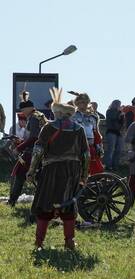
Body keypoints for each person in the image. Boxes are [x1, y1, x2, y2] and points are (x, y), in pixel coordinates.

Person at [27, 87, 89, 250]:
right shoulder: (79, 129)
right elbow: (85, 155)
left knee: (46, 205)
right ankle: (69, 242)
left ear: (57, 112)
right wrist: (84, 175)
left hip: (51, 171)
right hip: (72, 171)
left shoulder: (48, 128)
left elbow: (38, 150)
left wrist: (31, 171)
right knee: (68, 206)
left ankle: (39, 243)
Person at [8, 91, 47, 207]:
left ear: (28, 108)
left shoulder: (34, 118)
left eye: (23, 110)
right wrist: (21, 142)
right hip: (41, 151)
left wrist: (19, 148)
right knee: (39, 178)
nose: (23, 113)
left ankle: (12, 201)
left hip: (33, 153)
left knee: (19, 174)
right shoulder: (39, 115)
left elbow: (34, 138)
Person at [71, 92, 104, 175]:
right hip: (77, 146)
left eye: (84, 102)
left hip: (91, 145)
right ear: (77, 103)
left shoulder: (93, 117)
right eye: (80, 102)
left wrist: (99, 146)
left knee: (95, 169)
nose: (83, 104)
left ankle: (93, 185)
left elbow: (96, 132)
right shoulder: (72, 116)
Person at [104, 100, 124, 171]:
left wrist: (122, 115)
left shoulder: (120, 112)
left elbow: (122, 122)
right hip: (111, 132)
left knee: (119, 149)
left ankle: (115, 166)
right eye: (118, 104)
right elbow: (113, 118)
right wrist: (119, 112)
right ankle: (108, 166)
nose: (119, 105)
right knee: (111, 150)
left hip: (118, 132)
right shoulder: (109, 111)